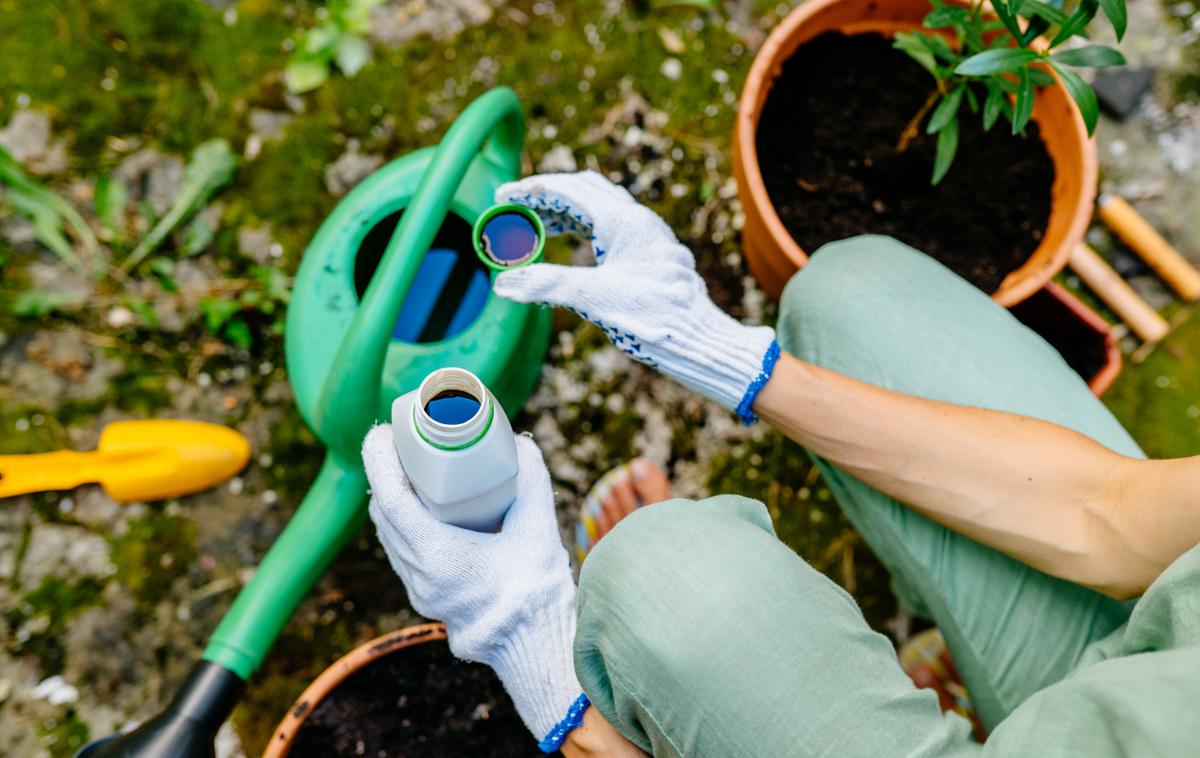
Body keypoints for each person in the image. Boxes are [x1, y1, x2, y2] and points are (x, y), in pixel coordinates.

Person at [362, 171, 1200, 757]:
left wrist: (537, 662)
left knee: (662, 583)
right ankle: (958, 656)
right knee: (856, 297)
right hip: (1149, 664)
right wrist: (717, 349)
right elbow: (1110, 516)